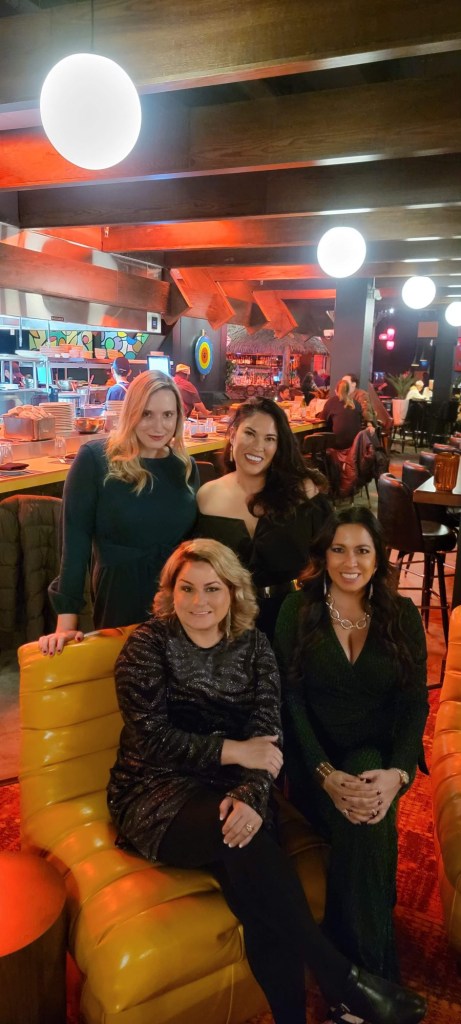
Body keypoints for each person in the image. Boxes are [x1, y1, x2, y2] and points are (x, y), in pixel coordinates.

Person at [107, 537, 427, 1024]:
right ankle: (343, 981)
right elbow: (151, 738)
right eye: (186, 588)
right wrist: (234, 752)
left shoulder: (254, 646)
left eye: (212, 588)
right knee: (248, 845)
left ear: (233, 591)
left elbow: (267, 731)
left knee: (254, 886)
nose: (198, 601)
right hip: (157, 792)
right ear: (170, 592)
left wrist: (251, 795)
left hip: (235, 787)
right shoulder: (148, 645)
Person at [274, 506, 429, 984]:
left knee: (367, 807)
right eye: (338, 549)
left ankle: (355, 981)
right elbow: (290, 702)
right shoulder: (297, 610)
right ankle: (376, 978)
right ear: (323, 555)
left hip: (377, 763)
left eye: (362, 550)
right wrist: (323, 773)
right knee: (368, 830)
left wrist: (399, 775)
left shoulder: (402, 615)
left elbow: (414, 705)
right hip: (314, 762)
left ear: (379, 557)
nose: (350, 562)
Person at [38, 371, 199, 654]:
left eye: (168, 415)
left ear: (178, 417)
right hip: (121, 594)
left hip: (178, 596)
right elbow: (75, 545)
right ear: (131, 413)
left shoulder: (185, 466)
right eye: (147, 414)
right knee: (126, 672)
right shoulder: (95, 460)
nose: (159, 426)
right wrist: (65, 625)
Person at [195, 397, 332, 639]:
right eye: (250, 433)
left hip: (291, 618)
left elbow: (332, 559)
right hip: (225, 622)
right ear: (232, 435)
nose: (258, 446)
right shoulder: (207, 497)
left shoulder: (303, 494)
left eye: (270, 439)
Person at [321, 377, 363, 449]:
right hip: (355, 444)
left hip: (338, 444)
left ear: (336, 390)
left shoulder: (332, 401)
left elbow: (322, 417)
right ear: (349, 391)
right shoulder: (357, 404)